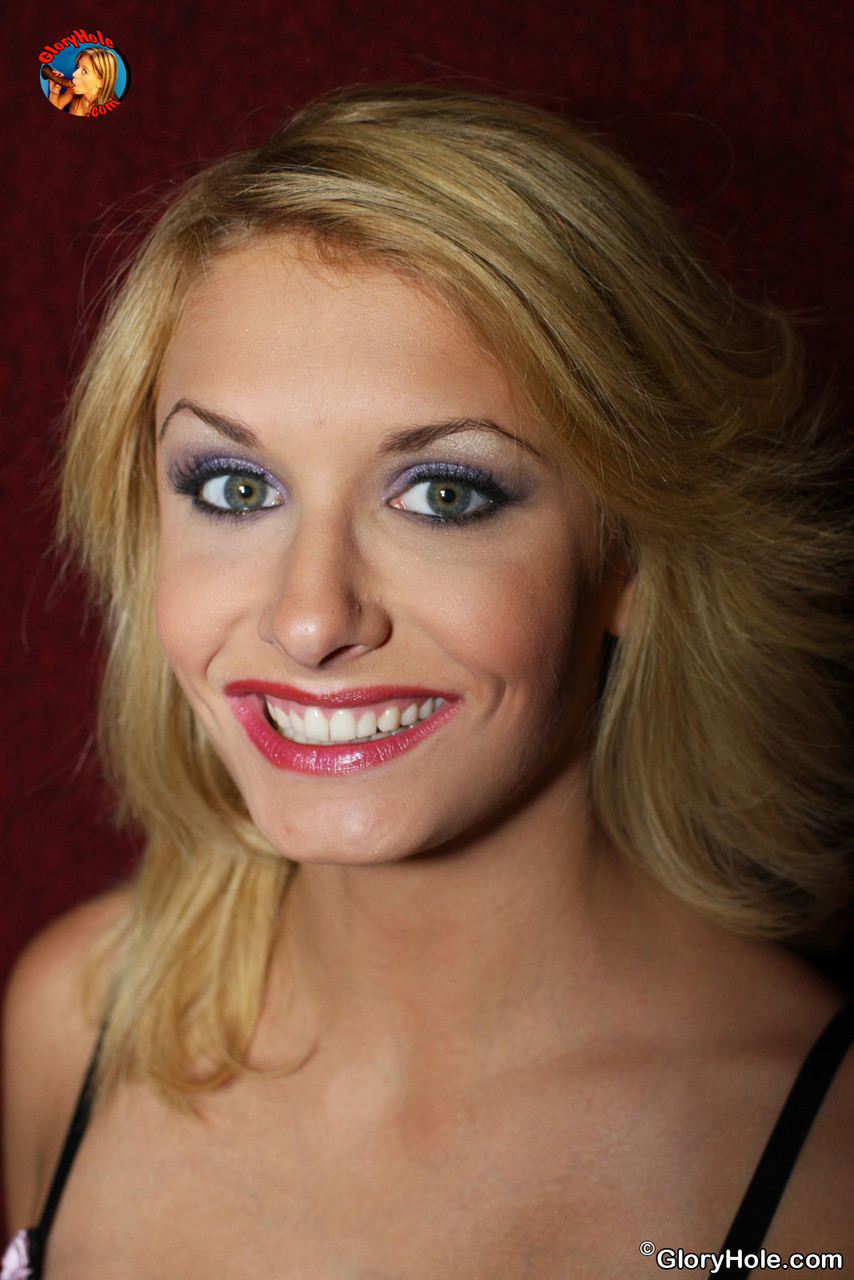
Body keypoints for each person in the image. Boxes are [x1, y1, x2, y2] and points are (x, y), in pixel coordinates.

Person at [3, 84, 854, 1278]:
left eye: (443, 494)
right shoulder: (75, 1022)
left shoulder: (820, 1171)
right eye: (235, 488)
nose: (310, 618)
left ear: (633, 556)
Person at [47, 47, 118, 117]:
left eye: (84, 71)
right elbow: (53, 112)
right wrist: (54, 92)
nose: (74, 74)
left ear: (101, 82)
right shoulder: (74, 90)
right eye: (78, 66)